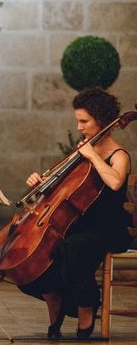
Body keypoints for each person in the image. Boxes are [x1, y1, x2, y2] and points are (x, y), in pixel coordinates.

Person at [20, 88, 133, 340]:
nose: (79, 127)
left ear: (101, 121)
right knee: (40, 254)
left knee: (73, 249)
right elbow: (61, 185)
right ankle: (54, 297)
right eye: (78, 121)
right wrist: (40, 180)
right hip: (79, 223)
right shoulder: (81, 151)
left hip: (109, 228)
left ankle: (86, 308)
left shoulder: (119, 155)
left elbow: (115, 182)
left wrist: (92, 156)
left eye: (84, 121)